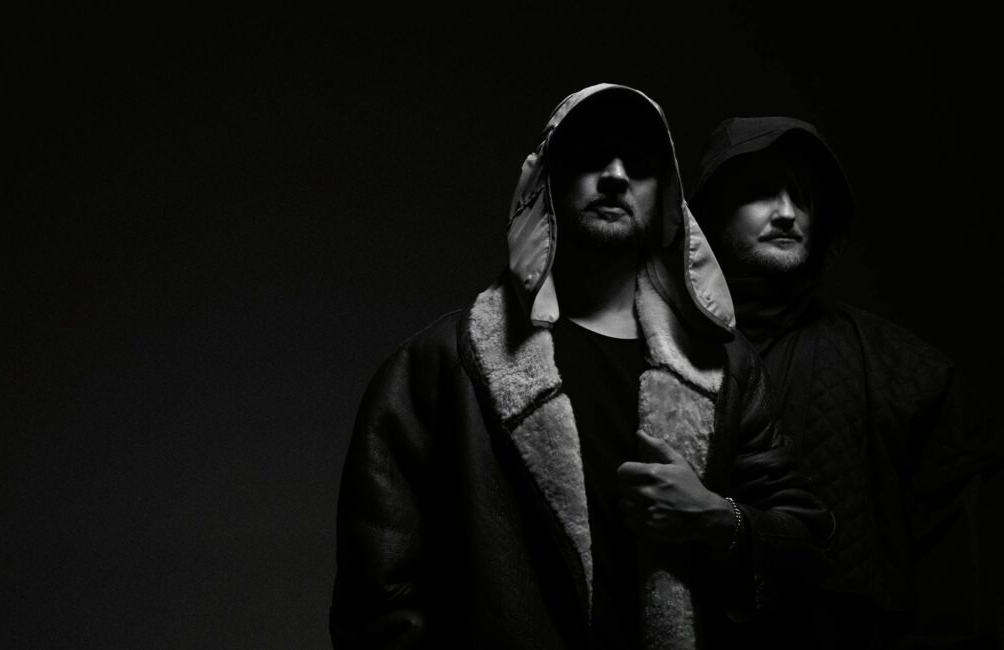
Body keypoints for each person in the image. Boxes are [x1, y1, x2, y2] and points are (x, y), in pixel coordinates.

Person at [330, 85, 834, 649]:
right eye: (591, 156)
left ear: (665, 195)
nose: (615, 176)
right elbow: (377, 596)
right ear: (546, 180)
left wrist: (717, 519)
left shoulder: (725, 366)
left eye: (638, 163)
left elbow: (807, 542)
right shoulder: (443, 362)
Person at [689, 116, 1004, 648]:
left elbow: (958, 585)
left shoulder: (906, 372)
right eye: (761, 192)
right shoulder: (656, 351)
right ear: (713, 213)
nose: (787, 212)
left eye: (803, 197)